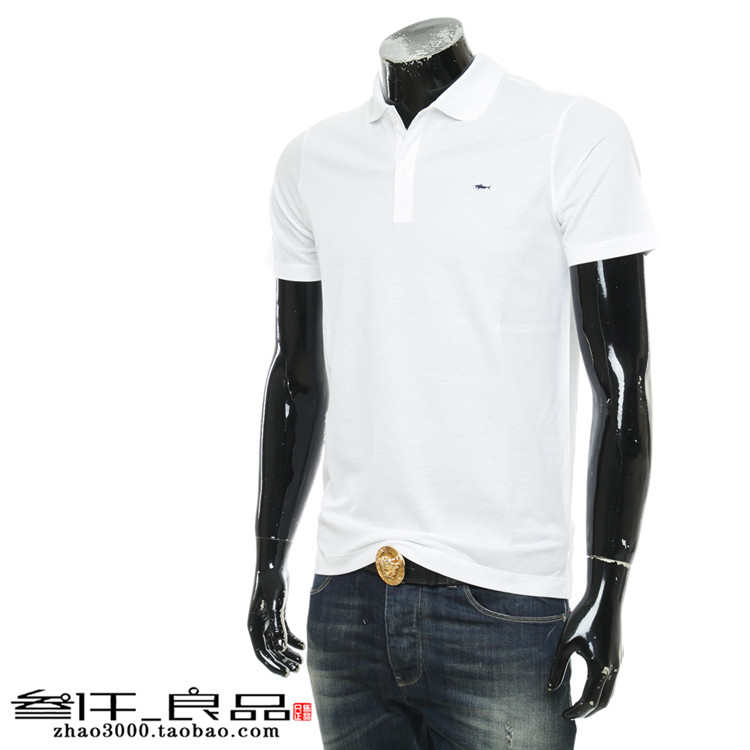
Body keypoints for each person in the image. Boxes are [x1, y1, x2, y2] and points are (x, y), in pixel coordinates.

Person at [248, 17, 655, 750]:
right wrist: (268, 560)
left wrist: (608, 587)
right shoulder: (311, 160)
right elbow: (295, 374)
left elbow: (622, 379)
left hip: (503, 601)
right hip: (345, 594)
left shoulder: (571, 135)